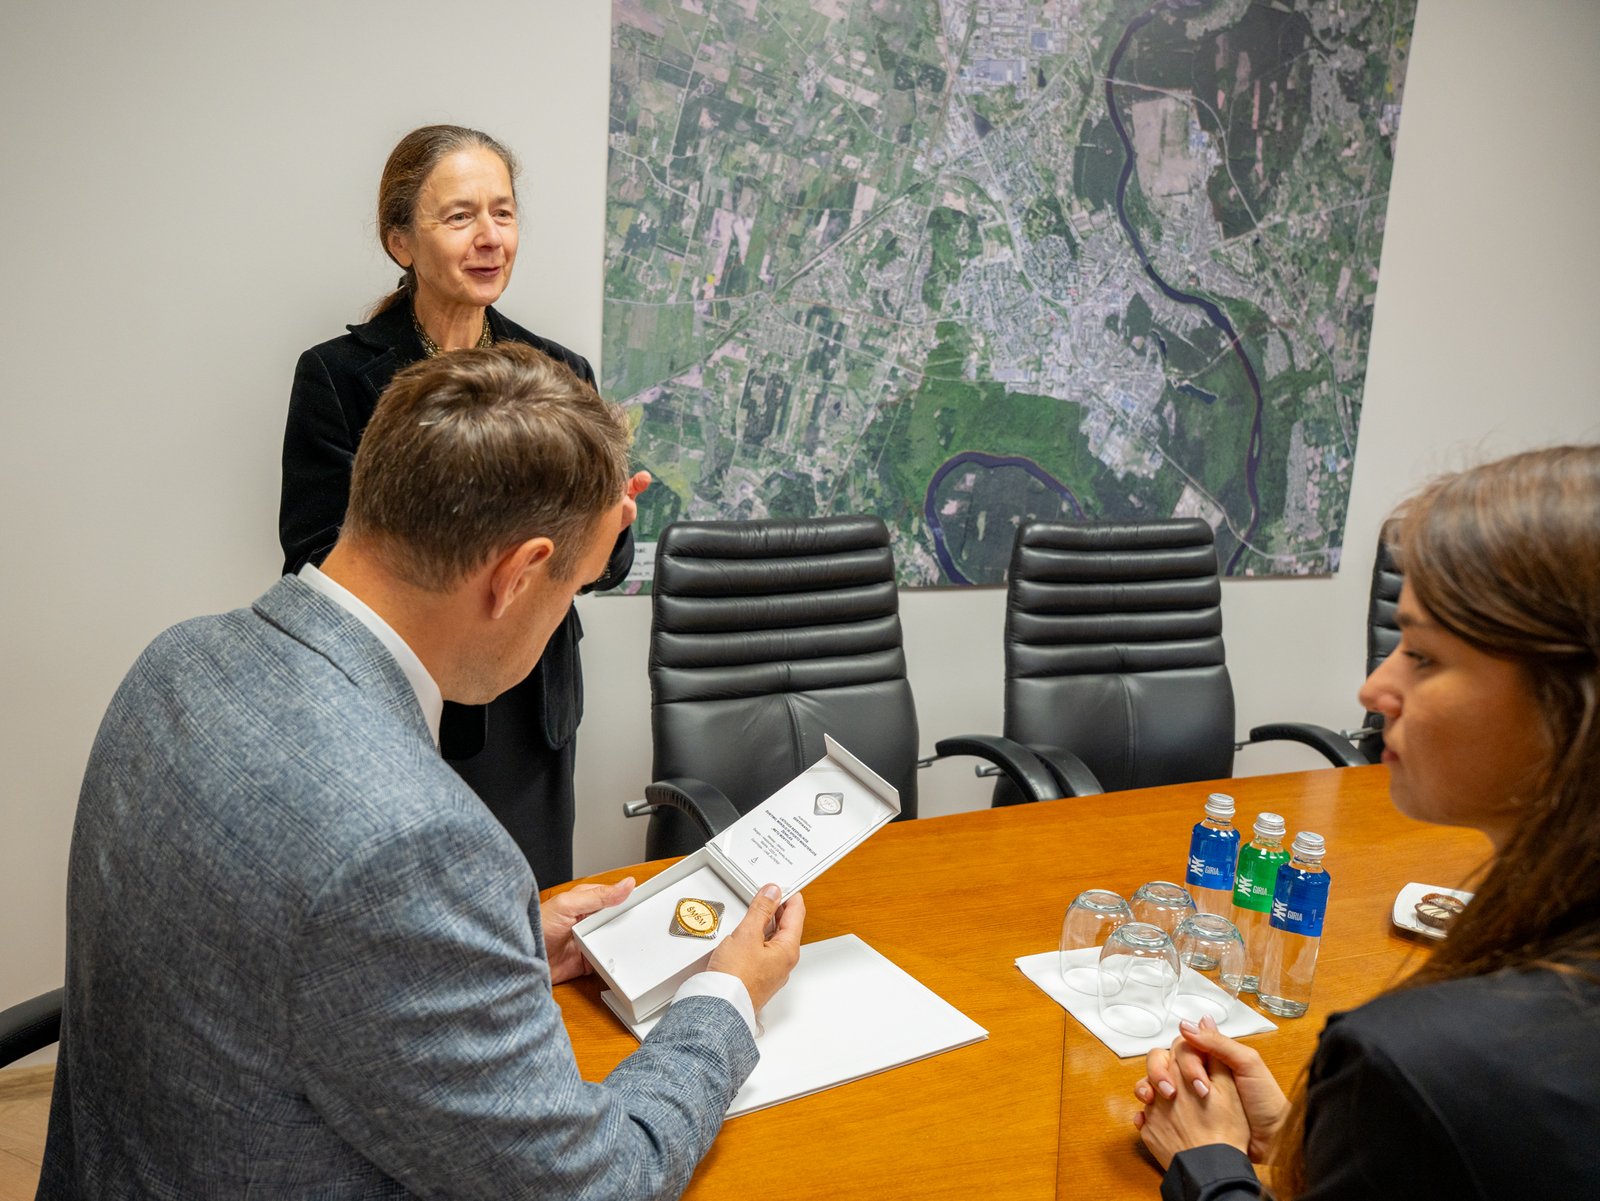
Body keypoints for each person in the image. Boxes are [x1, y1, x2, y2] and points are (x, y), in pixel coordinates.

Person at [39, 345, 804, 1196]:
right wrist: (724, 998)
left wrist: (490, 949)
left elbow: (261, 946)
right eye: (572, 588)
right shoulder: (413, 844)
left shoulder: (177, 662)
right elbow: (596, 1182)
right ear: (518, 576)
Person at [1130, 444, 1600, 1199]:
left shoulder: (1420, 1063)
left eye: (1422, 655)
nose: (1375, 686)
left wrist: (1210, 1162)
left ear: (1569, 704)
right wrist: (1329, 1138)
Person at [280, 123, 641, 887]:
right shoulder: (338, 377)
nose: (489, 238)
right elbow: (313, 559)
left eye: (503, 213)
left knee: (535, 913)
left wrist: (607, 533)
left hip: (532, 712)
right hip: (403, 713)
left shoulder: (561, 371)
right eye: (459, 216)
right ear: (401, 242)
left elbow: (606, 563)